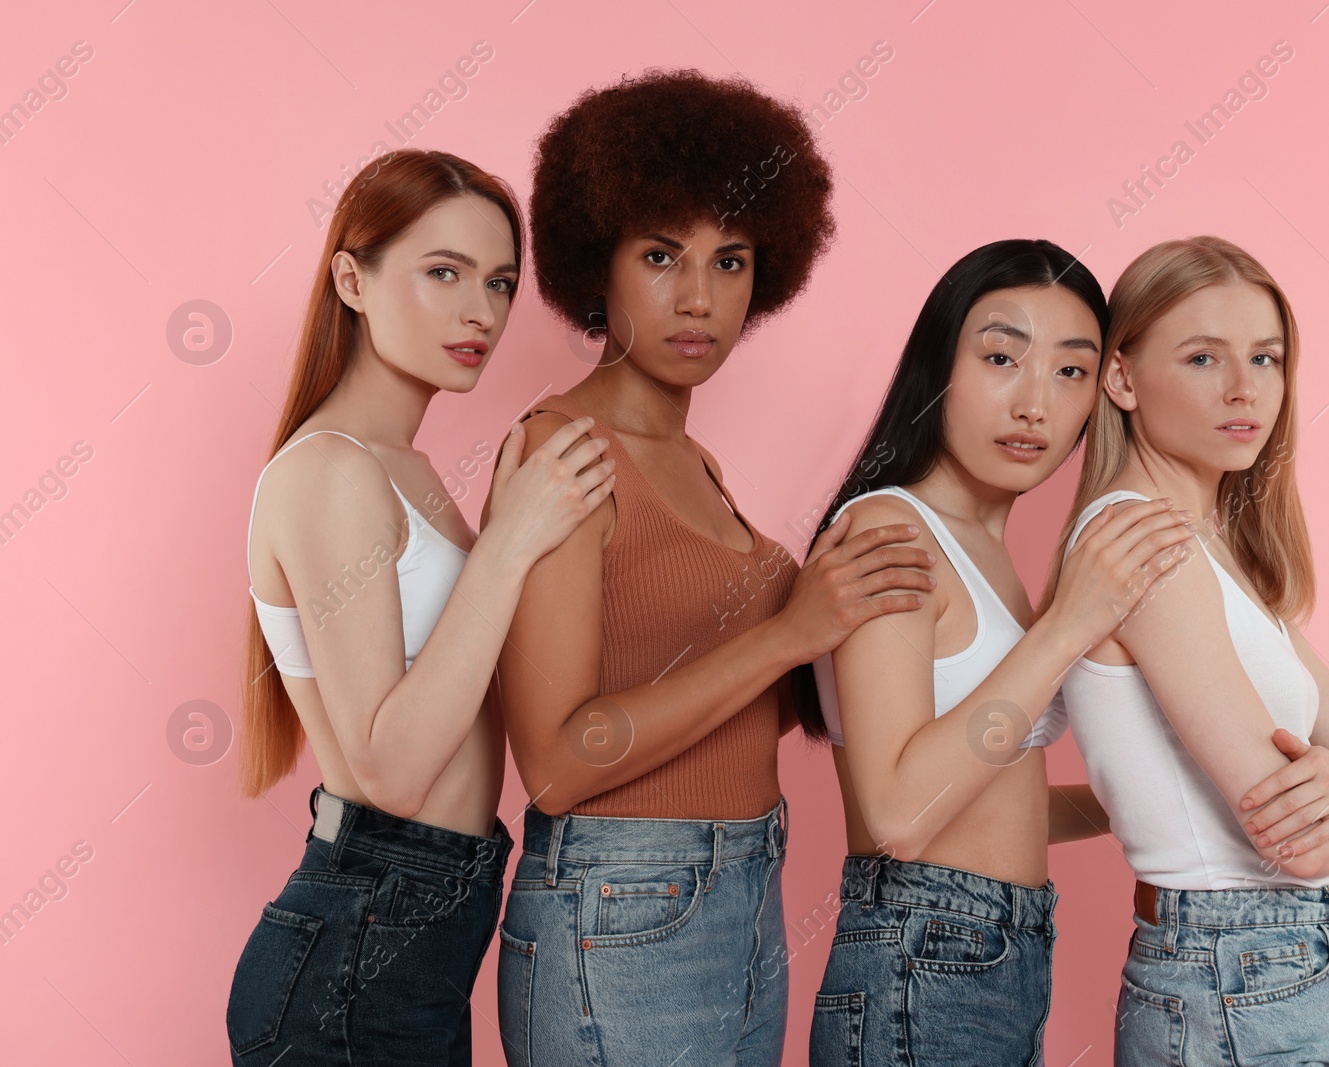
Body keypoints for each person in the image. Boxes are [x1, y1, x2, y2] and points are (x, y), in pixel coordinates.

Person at [489, 69, 935, 1066]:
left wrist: (857, 611)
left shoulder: (692, 463)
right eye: (661, 256)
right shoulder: (565, 453)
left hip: (743, 886)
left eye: (729, 261)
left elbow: (709, 696)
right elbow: (558, 763)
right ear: (593, 268)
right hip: (622, 903)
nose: (699, 298)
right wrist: (790, 631)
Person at [226, 149, 615, 1066]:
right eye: (442, 272)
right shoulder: (330, 472)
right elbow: (392, 769)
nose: (480, 311)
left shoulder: (408, 473)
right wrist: (512, 542)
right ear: (352, 280)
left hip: (421, 932)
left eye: (500, 282)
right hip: (358, 945)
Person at [796, 239, 1197, 1066]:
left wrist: (1156, 795)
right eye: (1002, 357)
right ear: (938, 363)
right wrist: (1065, 627)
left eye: (1070, 371)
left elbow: (990, 807)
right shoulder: (890, 530)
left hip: (991, 953)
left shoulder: (984, 553)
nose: (1034, 405)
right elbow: (902, 812)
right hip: (923, 949)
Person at [1042, 235, 1329, 1066]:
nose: (1247, 388)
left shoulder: (1219, 553)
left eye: (1267, 356)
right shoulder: (1142, 540)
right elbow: (1286, 830)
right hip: (1238, 960)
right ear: (1123, 378)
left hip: (1267, 963)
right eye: (1204, 357)